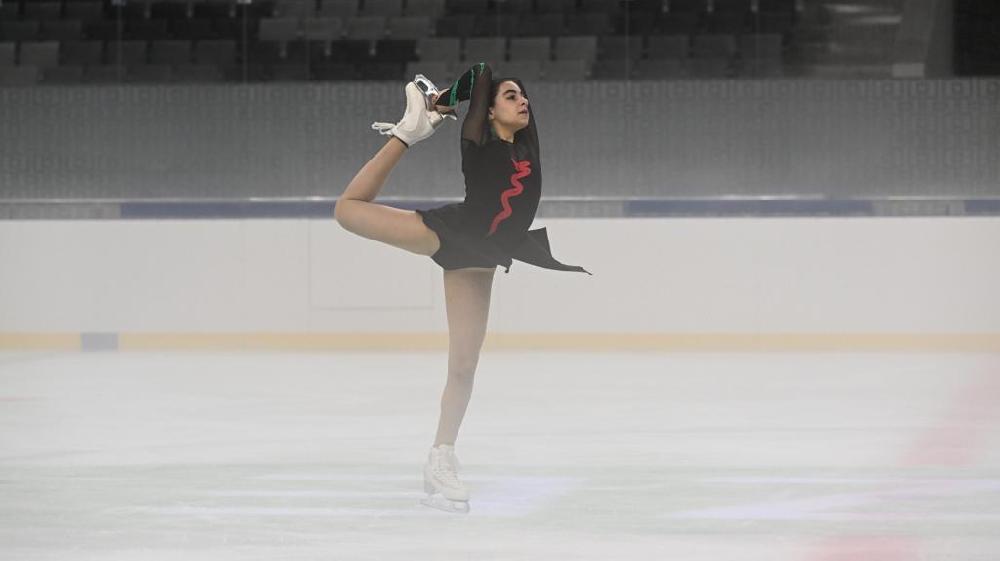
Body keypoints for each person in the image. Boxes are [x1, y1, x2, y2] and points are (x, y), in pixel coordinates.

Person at [334, 63, 591, 513]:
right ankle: (406, 135)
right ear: (488, 111)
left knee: (464, 367)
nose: (523, 101)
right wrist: (442, 102)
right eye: (510, 96)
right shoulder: (477, 142)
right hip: (454, 233)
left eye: (524, 95)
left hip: (482, 256)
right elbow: (483, 72)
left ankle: (441, 456)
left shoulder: (527, 147)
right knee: (348, 210)